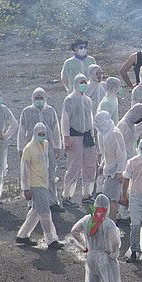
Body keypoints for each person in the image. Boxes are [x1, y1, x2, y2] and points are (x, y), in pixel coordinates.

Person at [69, 193, 125, 282]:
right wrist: (113, 254)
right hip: (104, 258)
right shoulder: (108, 222)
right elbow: (116, 242)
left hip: (91, 257)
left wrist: (84, 246)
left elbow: (74, 231)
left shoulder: (87, 219)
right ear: (106, 208)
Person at [15, 123, 62, 249]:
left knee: (36, 211)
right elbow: (24, 170)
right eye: (39, 134)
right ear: (35, 133)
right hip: (35, 185)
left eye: (43, 134)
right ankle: (51, 240)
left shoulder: (45, 144)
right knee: (45, 213)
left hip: (44, 183)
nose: (42, 136)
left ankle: (22, 236)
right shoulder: (28, 149)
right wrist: (25, 188)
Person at [60, 74, 98, 206]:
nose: (83, 84)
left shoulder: (87, 100)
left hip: (87, 136)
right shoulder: (69, 99)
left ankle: (87, 194)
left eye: (84, 82)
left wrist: (92, 136)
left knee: (89, 166)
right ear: (76, 83)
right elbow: (65, 119)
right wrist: (66, 138)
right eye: (81, 82)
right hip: (74, 136)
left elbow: (90, 119)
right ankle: (67, 196)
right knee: (73, 167)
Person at [18, 87, 62, 195]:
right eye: (36, 98)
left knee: (51, 173)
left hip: (49, 147)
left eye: (41, 98)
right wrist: (20, 147)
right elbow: (22, 130)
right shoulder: (27, 111)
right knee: (33, 173)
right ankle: (33, 203)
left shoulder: (50, 111)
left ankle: (52, 201)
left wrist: (58, 146)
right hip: (32, 147)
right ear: (33, 98)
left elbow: (56, 129)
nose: (39, 100)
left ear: (45, 98)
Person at [96, 111, 127, 220]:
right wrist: (102, 165)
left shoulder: (115, 133)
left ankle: (110, 221)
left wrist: (119, 171)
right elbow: (106, 154)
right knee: (109, 196)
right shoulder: (105, 134)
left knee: (110, 198)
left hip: (114, 172)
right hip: (109, 170)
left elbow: (121, 154)